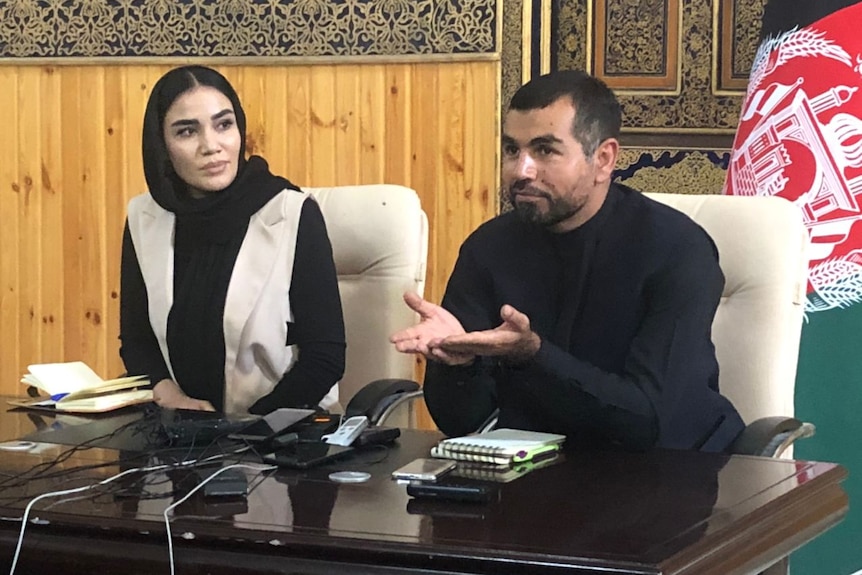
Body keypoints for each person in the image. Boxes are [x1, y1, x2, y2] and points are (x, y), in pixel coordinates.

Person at [391, 70, 744, 452]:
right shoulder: (488, 248)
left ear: (604, 159)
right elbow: (462, 422)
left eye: (545, 150)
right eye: (512, 150)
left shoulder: (677, 249)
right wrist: (457, 365)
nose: (521, 171)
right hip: (537, 474)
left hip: (674, 473)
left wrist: (533, 355)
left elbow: (650, 421)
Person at [120, 65, 345, 415]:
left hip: (280, 435)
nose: (211, 146)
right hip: (181, 434)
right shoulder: (145, 217)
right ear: (161, 145)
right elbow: (137, 342)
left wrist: (244, 431)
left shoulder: (291, 213)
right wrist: (171, 398)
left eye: (224, 124)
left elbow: (325, 358)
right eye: (186, 132)